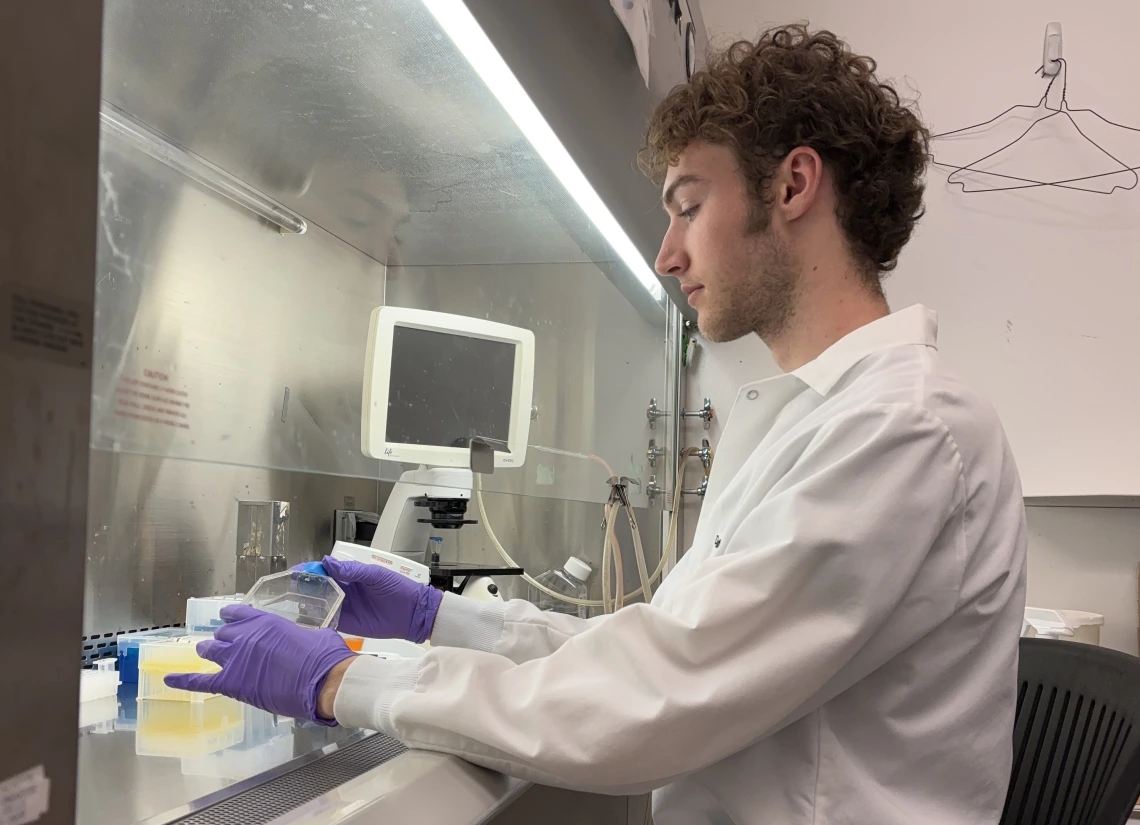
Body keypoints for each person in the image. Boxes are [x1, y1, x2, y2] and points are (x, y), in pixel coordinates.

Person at [168, 25, 1028, 825]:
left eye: (689, 205)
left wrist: (340, 677)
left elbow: (658, 695)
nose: (667, 254)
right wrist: (443, 618)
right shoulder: (810, 419)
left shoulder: (902, 429)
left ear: (794, 186)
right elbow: (667, 649)